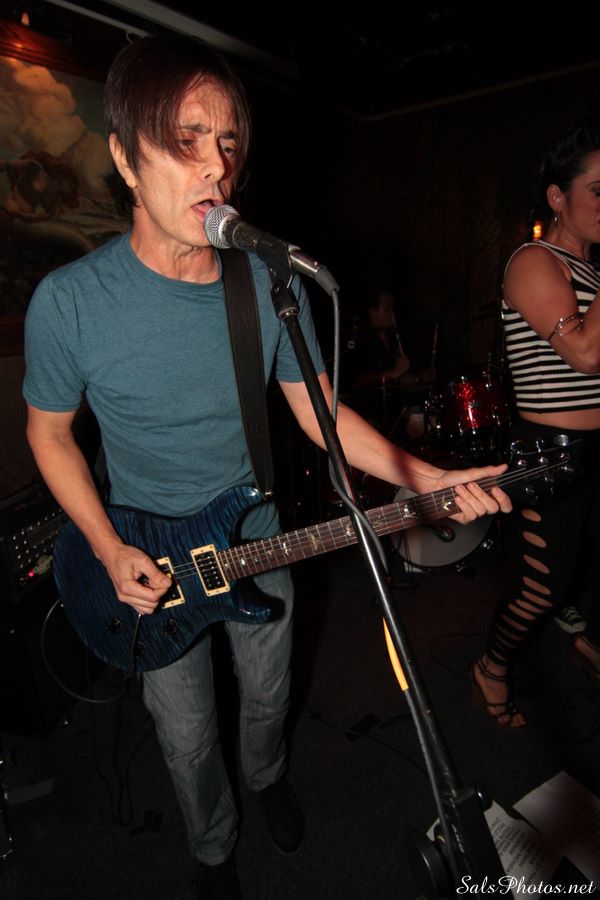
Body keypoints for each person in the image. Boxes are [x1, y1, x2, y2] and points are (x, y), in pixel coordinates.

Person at [23, 35, 510, 899]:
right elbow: (50, 435)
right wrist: (104, 546)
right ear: (125, 158)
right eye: (186, 139)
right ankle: (213, 849)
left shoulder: (262, 282)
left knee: (266, 695)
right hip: (148, 560)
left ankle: (268, 774)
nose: (216, 164)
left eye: (226, 142)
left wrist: (425, 477)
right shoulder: (69, 303)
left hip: (257, 540)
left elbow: (320, 414)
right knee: (185, 736)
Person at [472, 116, 600, 729]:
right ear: (558, 196)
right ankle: (492, 667)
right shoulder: (534, 260)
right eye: (598, 190)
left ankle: (590, 646)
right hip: (553, 451)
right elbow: (586, 353)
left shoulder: (594, 272)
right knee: (542, 587)